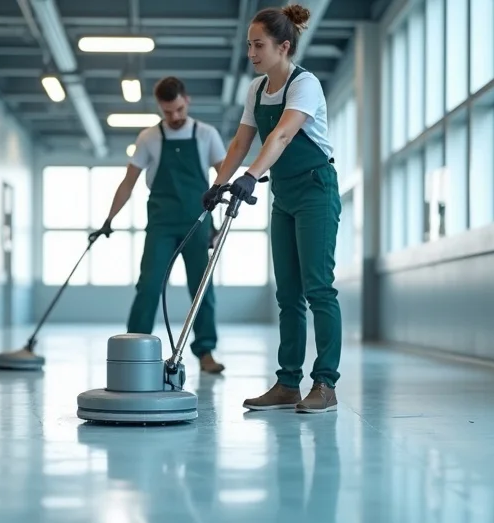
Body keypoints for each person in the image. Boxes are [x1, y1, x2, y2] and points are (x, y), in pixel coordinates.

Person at [204, 3, 342, 412]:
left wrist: (250, 176)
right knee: (288, 294)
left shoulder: (305, 85)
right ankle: (287, 384)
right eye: (248, 45)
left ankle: (325, 383)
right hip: (284, 194)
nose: (251, 53)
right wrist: (219, 183)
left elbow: (281, 135)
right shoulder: (256, 89)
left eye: (258, 45)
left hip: (316, 190)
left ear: (283, 46)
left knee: (318, 287)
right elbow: (240, 142)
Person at [90, 77, 228, 374]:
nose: (174, 116)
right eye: (167, 112)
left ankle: (206, 351)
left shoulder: (207, 134)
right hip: (161, 223)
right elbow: (128, 182)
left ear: (187, 100)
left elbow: (224, 175)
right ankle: (133, 349)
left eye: (179, 109)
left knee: (201, 288)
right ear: (159, 108)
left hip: (197, 222)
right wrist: (109, 219)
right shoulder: (149, 137)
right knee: (149, 285)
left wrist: (221, 218)